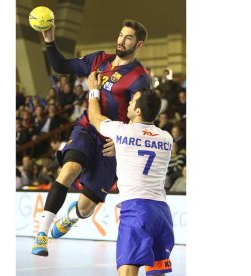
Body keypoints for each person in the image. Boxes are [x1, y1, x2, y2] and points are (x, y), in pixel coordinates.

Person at [31, 19, 150, 256]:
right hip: (86, 129)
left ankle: (72, 216)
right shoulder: (99, 60)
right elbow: (61, 65)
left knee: (86, 208)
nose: (121, 40)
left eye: (128, 38)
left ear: (139, 44)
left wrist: (121, 143)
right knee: (68, 170)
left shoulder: (140, 78)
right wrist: (49, 40)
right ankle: (41, 234)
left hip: (111, 142)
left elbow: (140, 118)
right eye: (120, 34)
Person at [87, 72, 174, 276]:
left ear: (137, 110)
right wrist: (122, 147)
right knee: (157, 273)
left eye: (132, 101)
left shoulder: (122, 131)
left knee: (127, 271)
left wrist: (93, 91)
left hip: (137, 209)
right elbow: (144, 145)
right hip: (162, 212)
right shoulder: (167, 138)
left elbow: (94, 117)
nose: (127, 104)